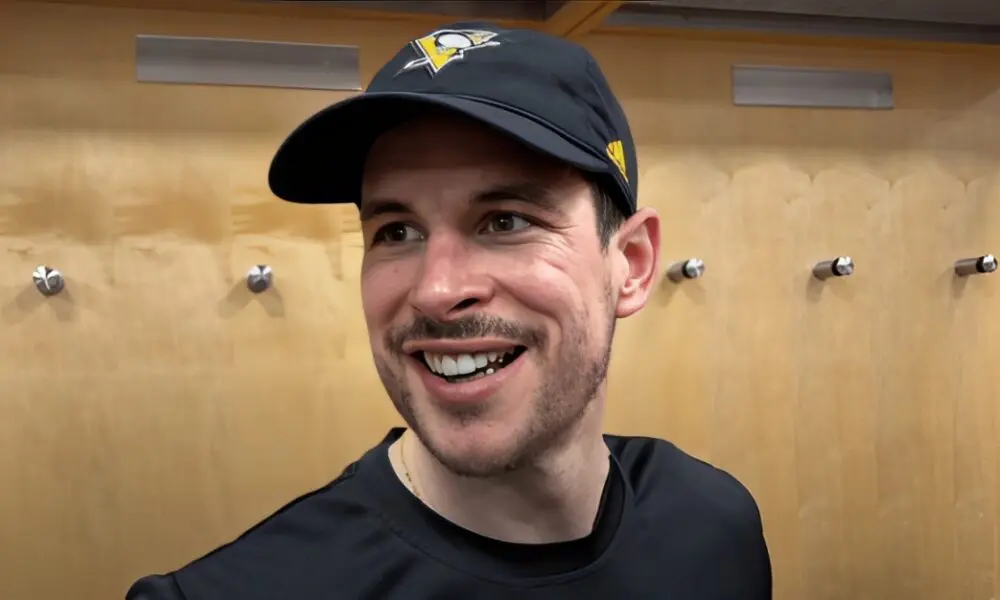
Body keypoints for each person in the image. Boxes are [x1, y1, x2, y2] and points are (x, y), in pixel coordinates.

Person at [126, 21, 772, 600]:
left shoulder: (714, 526)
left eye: (505, 220)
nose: (436, 290)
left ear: (629, 263)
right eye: (397, 232)